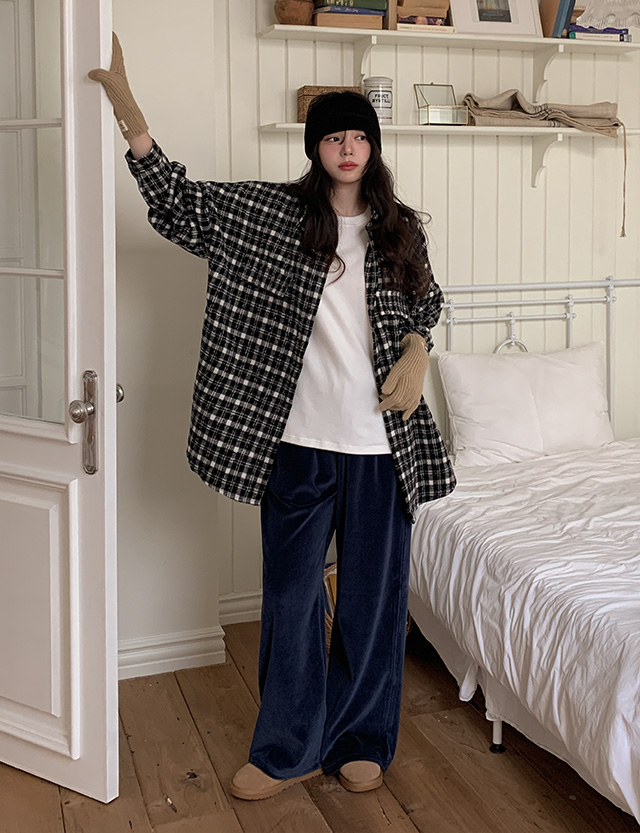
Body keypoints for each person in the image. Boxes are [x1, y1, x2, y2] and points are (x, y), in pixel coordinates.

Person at [89, 33, 455, 801]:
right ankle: (288, 746)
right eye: (334, 136)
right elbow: (182, 206)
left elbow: (427, 302)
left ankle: (359, 739)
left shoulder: (401, 228)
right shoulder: (269, 214)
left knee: (371, 604)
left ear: (373, 147)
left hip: (382, 450)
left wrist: (419, 345)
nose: (348, 147)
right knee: (291, 601)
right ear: (316, 148)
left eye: (359, 136)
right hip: (298, 446)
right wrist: (132, 118)